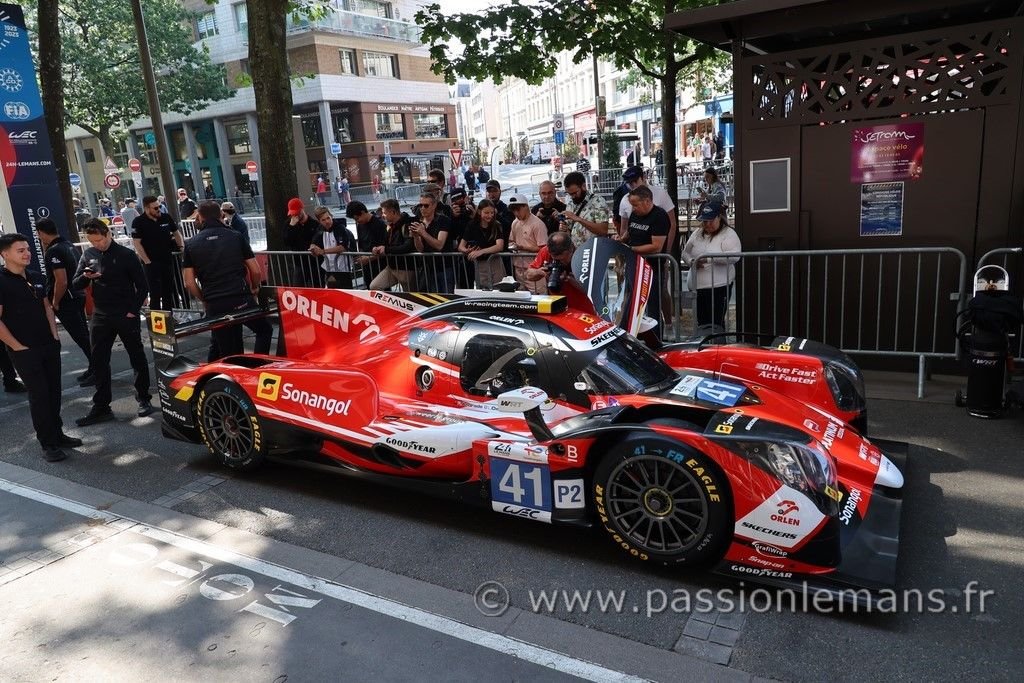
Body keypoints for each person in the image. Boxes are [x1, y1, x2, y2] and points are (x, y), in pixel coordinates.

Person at [0, 233, 78, 461]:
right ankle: (48, 444)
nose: (27, 253)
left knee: (54, 392)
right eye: (20, 250)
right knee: (40, 395)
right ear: (5, 254)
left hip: (48, 345)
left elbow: (46, 307)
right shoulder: (2, 281)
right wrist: (17, 346)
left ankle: (58, 434)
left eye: (27, 249)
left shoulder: (35, 276)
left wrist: (55, 336)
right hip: (24, 350)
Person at [73, 219, 154, 425]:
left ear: (108, 234)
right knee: (98, 360)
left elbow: (143, 286)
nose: (97, 244)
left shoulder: (126, 255)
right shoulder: (88, 254)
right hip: (100, 315)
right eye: (92, 241)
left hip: (125, 313)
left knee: (136, 356)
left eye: (99, 240)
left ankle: (144, 398)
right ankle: (101, 406)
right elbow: (76, 284)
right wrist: (86, 277)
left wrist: (132, 312)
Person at [183, 201, 271, 360]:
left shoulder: (191, 244)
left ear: (200, 217)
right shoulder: (235, 236)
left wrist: (204, 298)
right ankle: (256, 367)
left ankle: (223, 378)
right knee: (264, 330)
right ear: (221, 215)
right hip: (239, 296)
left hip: (214, 301)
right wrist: (254, 287)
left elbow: (189, 282)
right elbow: (255, 269)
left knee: (226, 348)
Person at [35, 218, 92, 384]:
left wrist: (55, 301)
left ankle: (98, 368)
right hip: (77, 295)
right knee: (83, 335)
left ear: (40, 233)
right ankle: (95, 366)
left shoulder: (54, 250)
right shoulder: (68, 245)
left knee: (81, 337)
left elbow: (61, 280)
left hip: (68, 299)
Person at [615, 185, 671, 340]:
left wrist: (631, 249)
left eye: (635, 205)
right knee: (631, 304)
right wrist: (621, 239)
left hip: (652, 268)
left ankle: (656, 339)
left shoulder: (659, 216)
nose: (633, 209)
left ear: (647, 201)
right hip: (634, 266)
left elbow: (656, 246)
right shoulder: (635, 214)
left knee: (653, 307)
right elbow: (629, 231)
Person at [682, 202, 741, 333]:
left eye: (711, 220)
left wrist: (709, 258)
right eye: (704, 221)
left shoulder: (729, 234)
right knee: (702, 323)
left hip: (718, 287)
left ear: (719, 217)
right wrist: (692, 261)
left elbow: (735, 256)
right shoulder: (697, 233)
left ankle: (718, 347)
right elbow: (685, 253)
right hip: (698, 288)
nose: (707, 224)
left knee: (716, 323)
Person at [131, 194, 184, 311]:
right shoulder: (138, 222)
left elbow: (176, 233)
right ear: (146, 208)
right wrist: (147, 261)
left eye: (159, 206)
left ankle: (169, 320)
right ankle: (156, 324)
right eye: (155, 208)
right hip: (151, 262)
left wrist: (181, 247)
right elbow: (137, 243)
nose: (158, 209)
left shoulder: (165, 217)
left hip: (167, 260)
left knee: (168, 293)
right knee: (155, 294)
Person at [524, 232, 596, 315]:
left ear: (571, 249)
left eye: (563, 259)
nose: (560, 263)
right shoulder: (545, 251)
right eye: (556, 260)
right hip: (557, 308)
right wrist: (540, 272)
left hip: (583, 310)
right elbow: (528, 275)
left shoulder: (584, 256)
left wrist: (569, 279)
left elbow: (592, 289)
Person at [410, 193, 455, 293]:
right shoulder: (420, 223)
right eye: (420, 205)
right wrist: (416, 237)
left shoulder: (443, 220)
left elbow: (439, 245)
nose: (422, 208)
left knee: (447, 298)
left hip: (444, 267)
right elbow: (420, 249)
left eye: (426, 205)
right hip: (428, 268)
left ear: (434, 206)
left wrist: (423, 233)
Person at [370, 199, 417, 291]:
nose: (383, 216)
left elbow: (408, 246)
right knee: (374, 286)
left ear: (393, 212)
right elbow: (386, 244)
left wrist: (386, 249)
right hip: (392, 267)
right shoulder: (390, 226)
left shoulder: (407, 224)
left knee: (411, 297)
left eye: (384, 213)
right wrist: (378, 248)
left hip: (406, 268)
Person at [458, 199, 506, 289]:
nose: (490, 215)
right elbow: (461, 246)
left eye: (492, 213)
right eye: (486, 213)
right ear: (480, 212)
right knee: (484, 290)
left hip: (495, 262)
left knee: (499, 288)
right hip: (480, 264)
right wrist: (467, 251)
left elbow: (500, 246)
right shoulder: (472, 225)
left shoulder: (496, 225)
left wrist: (482, 251)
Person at [507, 194, 548, 294]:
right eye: (513, 210)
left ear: (526, 207)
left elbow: (544, 248)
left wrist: (522, 247)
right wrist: (513, 246)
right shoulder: (515, 222)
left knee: (539, 298)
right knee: (522, 298)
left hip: (535, 270)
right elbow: (511, 240)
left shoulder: (537, 224)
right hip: (519, 268)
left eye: (518, 209)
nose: (516, 213)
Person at [310, 206, 357, 288]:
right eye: (323, 220)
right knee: (331, 290)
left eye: (328, 218)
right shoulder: (320, 229)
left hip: (343, 267)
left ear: (331, 216)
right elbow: (314, 242)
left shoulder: (339, 228)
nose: (327, 221)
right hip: (329, 267)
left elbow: (342, 247)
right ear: (319, 221)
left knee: (345, 291)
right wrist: (313, 249)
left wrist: (323, 251)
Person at [561, 171, 610, 247]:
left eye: (575, 193)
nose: (573, 197)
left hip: (594, 249)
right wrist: (564, 229)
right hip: (576, 251)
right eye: (570, 194)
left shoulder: (598, 201)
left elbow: (603, 230)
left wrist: (578, 219)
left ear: (583, 186)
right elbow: (569, 231)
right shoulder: (571, 204)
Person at [346, 201, 388, 287]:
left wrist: (368, 258)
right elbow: (361, 244)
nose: (357, 221)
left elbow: (385, 247)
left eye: (357, 218)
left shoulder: (379, 224)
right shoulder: (360, 225)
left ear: (362, 212)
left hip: (379, 265)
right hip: (367, 266)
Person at [285, 198, 320, 286]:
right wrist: (291, 227)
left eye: (297, 213)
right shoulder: (289, 224)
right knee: (298, 288)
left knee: (316, 287)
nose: (295, 216)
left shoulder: (314, 224)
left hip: (314, 263)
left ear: (302, 210)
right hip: (299, 263)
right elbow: (286, 242)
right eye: (293, 214)